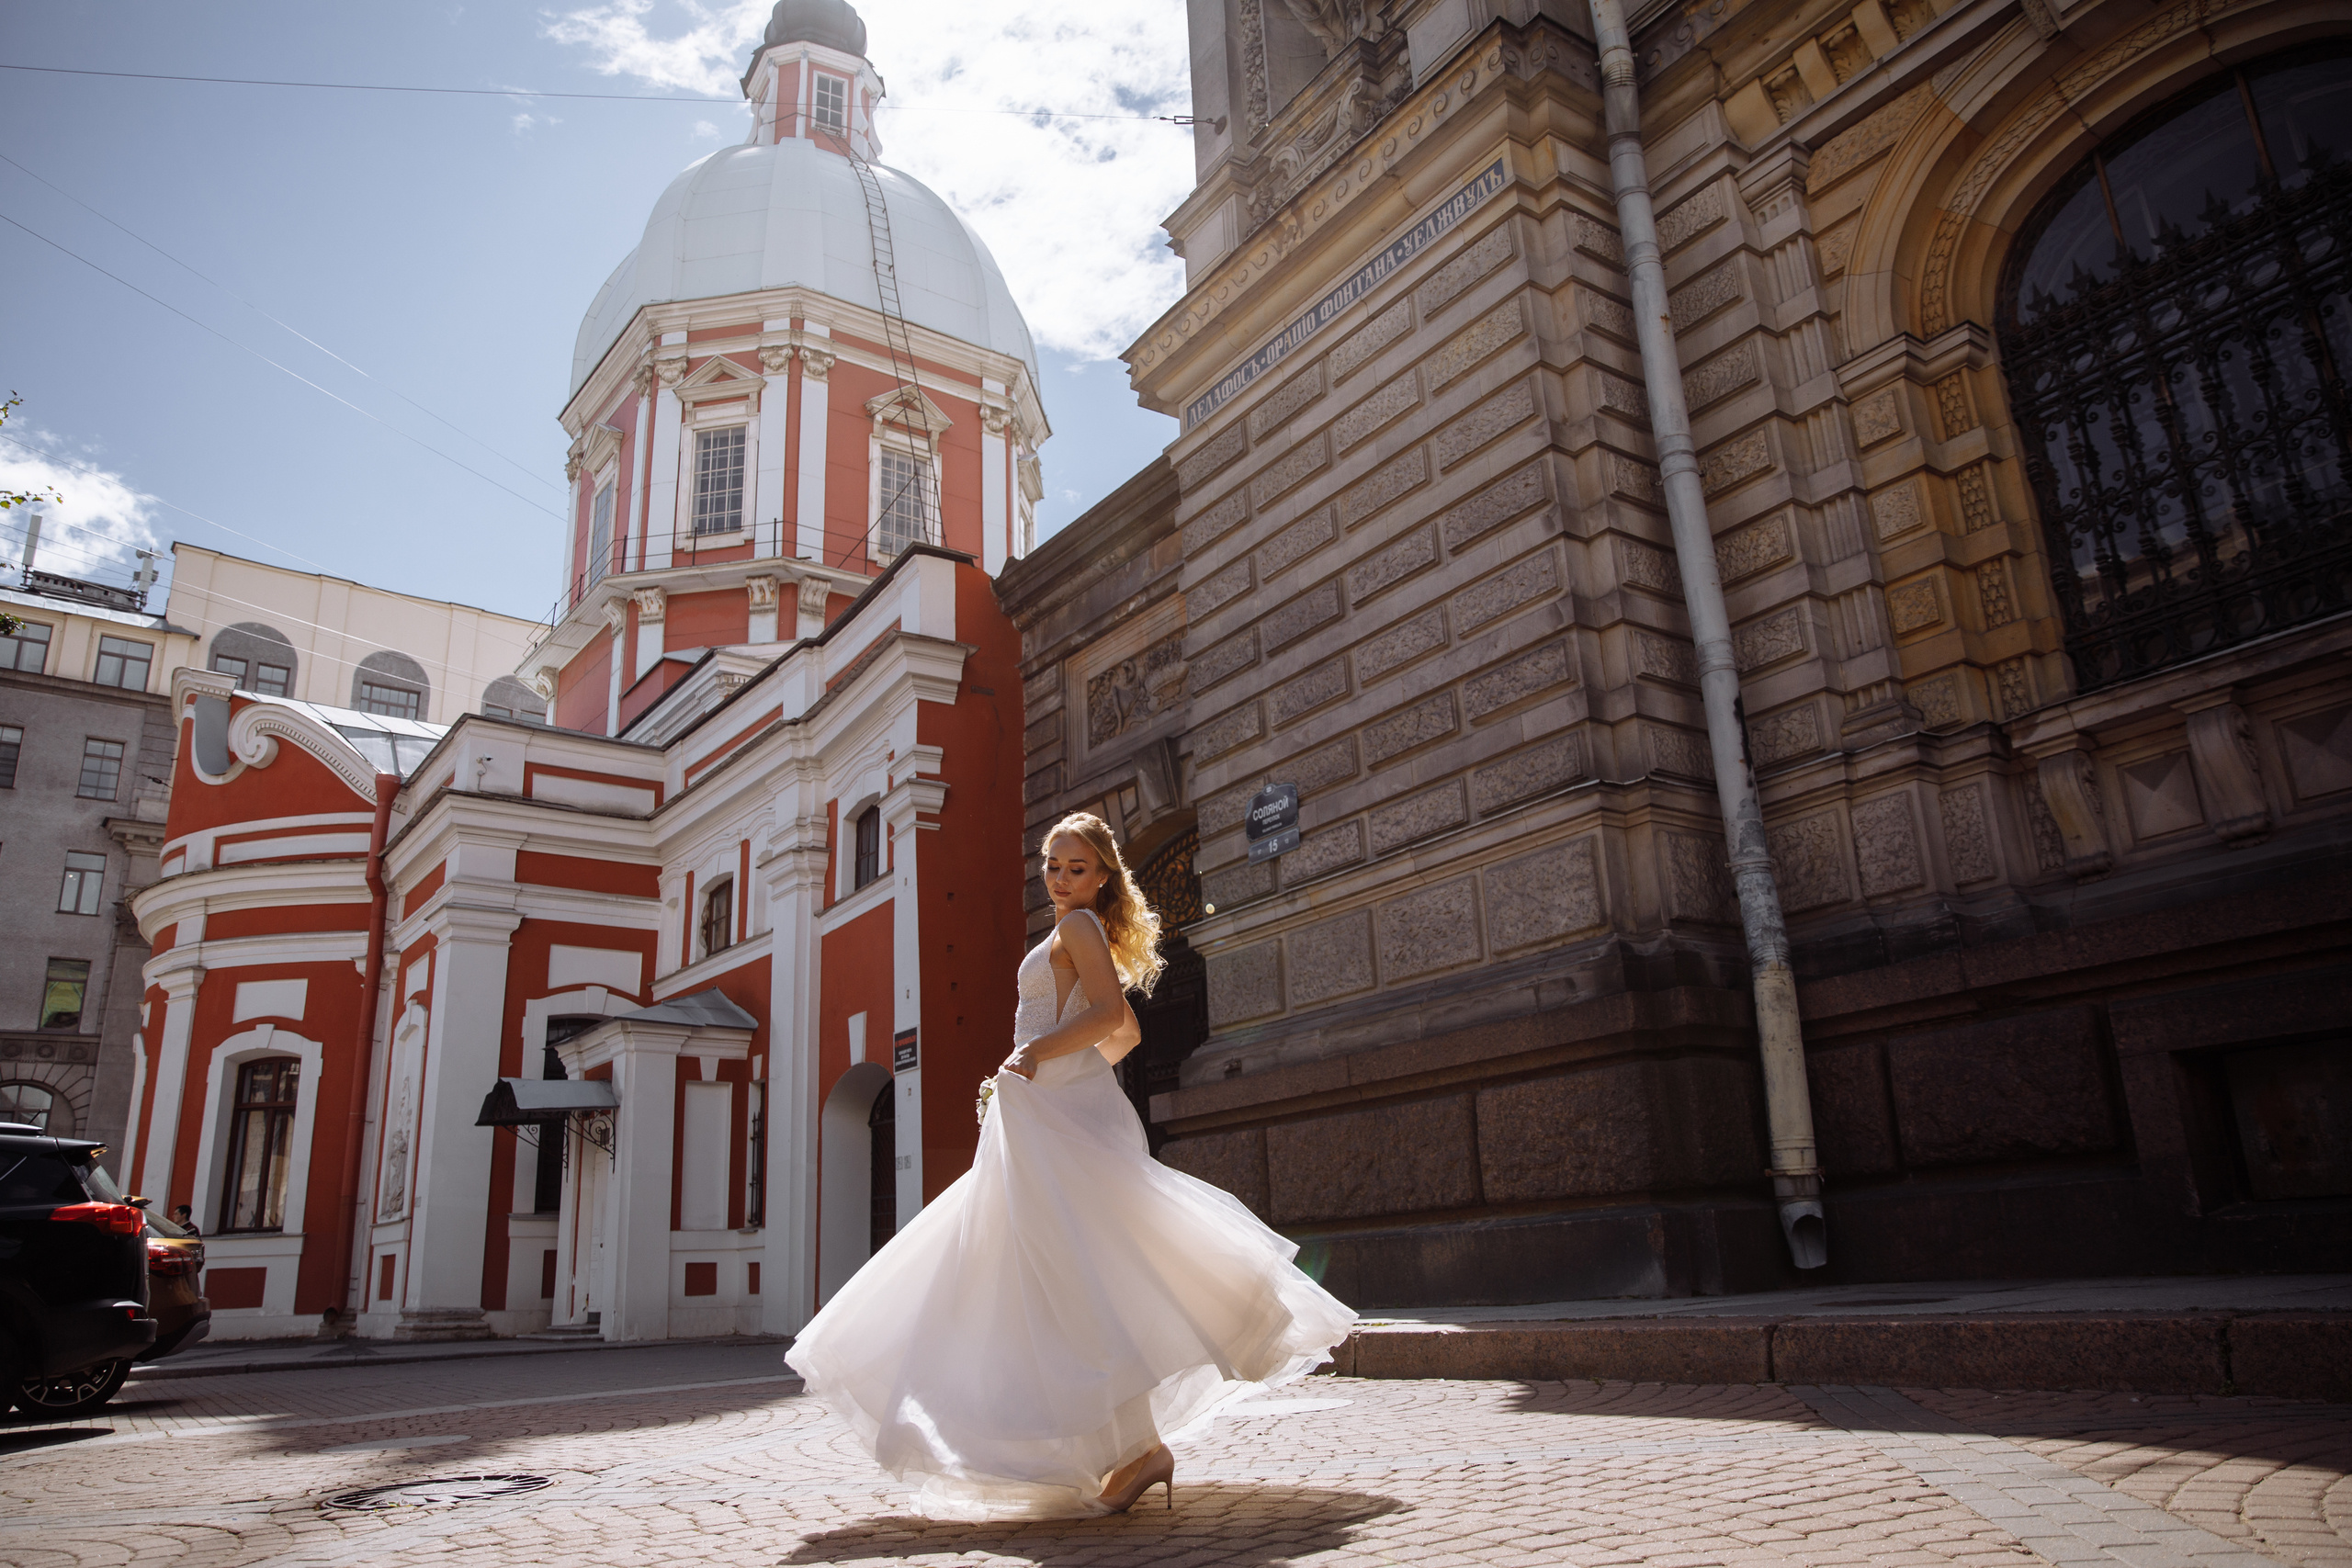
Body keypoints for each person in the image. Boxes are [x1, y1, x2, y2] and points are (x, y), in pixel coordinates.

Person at [786, 811, 1355, 1521]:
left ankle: (1134, 1447)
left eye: (1075, 867)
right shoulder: (1072, 931)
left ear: (1103, 875)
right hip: (1043, 1108)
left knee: (1057, 1268)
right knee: (1060, 1270)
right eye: (1052, 864)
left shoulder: (1080, 927)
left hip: (1047, 1108)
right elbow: (1126, 1035)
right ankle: (1133, 1448)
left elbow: (1110, 1013)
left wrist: (1036, 1058)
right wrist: (1062, 1071)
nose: (1059, 878)